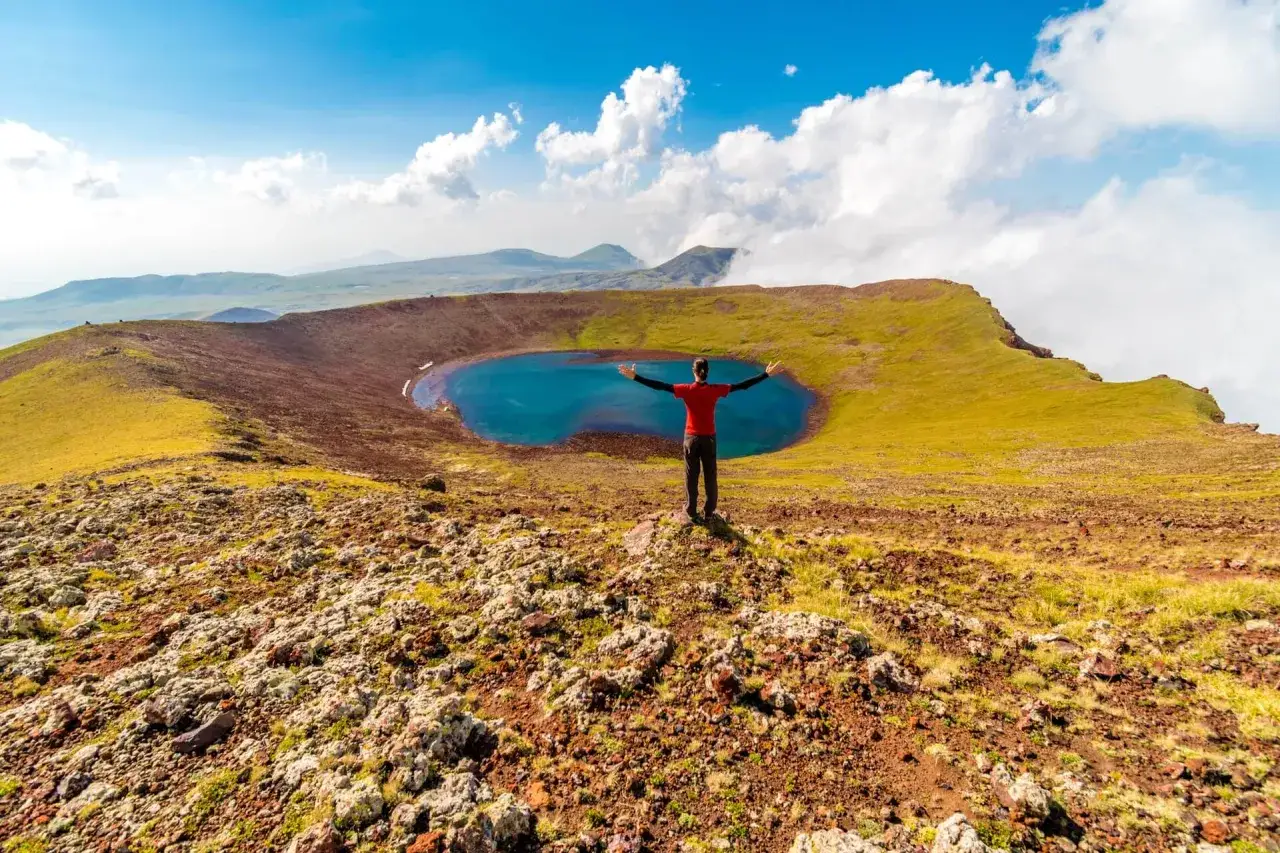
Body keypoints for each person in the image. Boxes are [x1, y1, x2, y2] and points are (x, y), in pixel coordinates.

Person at [618, 357, 784, 523]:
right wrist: (766, 375)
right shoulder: (715, 389)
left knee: (691, 475)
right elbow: (743, 386)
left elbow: (661, 386)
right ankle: (709, 512)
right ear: (707, 372)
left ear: (694, 372)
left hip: (691, 438)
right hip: (709, 439)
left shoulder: (687, 389)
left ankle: (691, 510)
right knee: (710, 476)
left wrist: (636, 377)